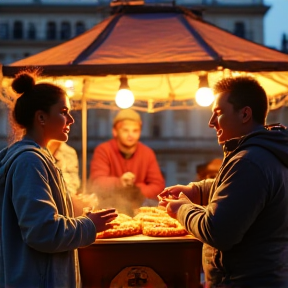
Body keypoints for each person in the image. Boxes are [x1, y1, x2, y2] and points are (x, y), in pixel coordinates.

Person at [158, 76, 288, 288]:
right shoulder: (261, 153)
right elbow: (237, 190)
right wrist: (196, 191)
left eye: (218, 113)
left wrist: (182, 209)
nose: (211, 122)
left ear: (245, 114)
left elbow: (216, 231)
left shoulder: (250, 162)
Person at [0, 70, 117, 288]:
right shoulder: (30, 162)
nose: (71, 119)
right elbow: (42, 232)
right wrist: (90, 225)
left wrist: (71, 207)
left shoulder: (37, 158)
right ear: (41, 117)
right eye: (64, 112)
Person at [89, 108, 165, 216]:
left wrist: (136, 189)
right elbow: (97, 182)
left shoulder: (147, 153)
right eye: (125, 130)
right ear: (115, 131)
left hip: (141, 211)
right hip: (109, 212)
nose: (130, 135)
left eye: (135, 130)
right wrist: (120, 183)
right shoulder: (103, 150)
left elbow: (158, 186)